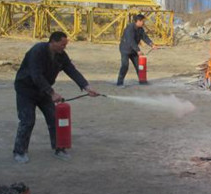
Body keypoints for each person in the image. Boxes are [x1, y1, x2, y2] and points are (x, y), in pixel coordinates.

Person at [12, 31, 99, 163]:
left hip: (44, 91)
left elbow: (71, 70)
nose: (64, 47)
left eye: (65, 45)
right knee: (27, 120)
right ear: (53, 41)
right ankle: (19, 152)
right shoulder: (37, 51)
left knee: (55, 119)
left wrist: (86, 86)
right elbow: (36, 76)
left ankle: (59, 148)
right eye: (62, 44)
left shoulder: (61, 55)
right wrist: (52, 93)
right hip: (26, 90)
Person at [117, 14, 157, 86]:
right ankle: (119, 82)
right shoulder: (129, 28)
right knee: (125, 65)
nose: (143, 23)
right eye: (142, 21)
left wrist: (152, 44)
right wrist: (138, 50)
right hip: (125, 49)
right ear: (138, 21)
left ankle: (142, 80)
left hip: (133, 50)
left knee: (139, 65)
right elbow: (131, 41)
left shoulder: (140, 29)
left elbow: (145, 37)